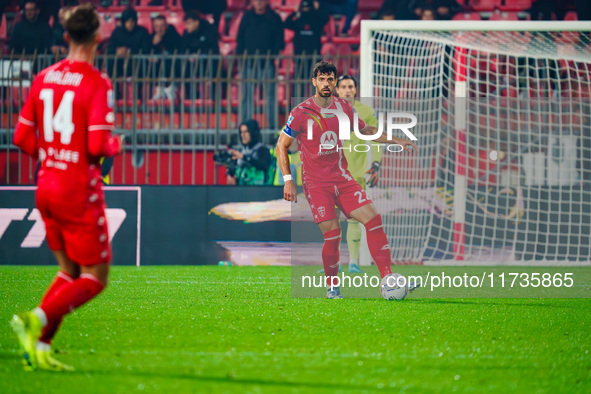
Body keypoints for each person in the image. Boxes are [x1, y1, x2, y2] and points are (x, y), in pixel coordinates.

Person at [10, 3, 124, 371]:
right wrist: (114, 145)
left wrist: (53, 155)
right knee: (95, 277)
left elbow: (21, 136)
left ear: (65, 36)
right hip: (77, 188)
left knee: (69, 272)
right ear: (98, 38)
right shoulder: (96, 83)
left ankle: (39, 349)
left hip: (46, 184)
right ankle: (37, 318)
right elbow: (95, 147)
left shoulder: (44, 77)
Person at [276, 61, 418, 299]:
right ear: (314, 82)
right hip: (316, 184)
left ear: (335, 82)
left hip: (342, 178)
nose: (326, 83)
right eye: (321, 79)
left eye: (330, 79)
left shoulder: (343, 107)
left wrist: (396, 140)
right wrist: (288, 179)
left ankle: (388, 278)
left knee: (373, 219)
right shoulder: (300, 112)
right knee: (333, 233)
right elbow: (282, 145)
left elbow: (367, 131)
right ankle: (333, 287)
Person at [334, 74, 381, 274]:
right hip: (332, 172)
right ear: (337, 90)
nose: (347, 90)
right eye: (343, 86)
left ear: (355, 89)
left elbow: (376, 137)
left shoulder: (365, 112)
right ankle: (333, 263)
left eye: (350, 86)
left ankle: (353, 262)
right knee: (331, 219)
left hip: (356, 173)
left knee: (353, 218)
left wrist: (376, 163)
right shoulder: (327, 110)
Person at [237, 0, 284, 129]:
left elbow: (279, 39)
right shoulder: (247, 17)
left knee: (270, 96)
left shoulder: (274, 18)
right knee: (246, 96)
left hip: (268, 62)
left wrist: (273, 55)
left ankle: (272, 127)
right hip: (248, 63)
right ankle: (245, 127)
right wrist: (241, 58)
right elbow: (240, 38)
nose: (258, 3)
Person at [226, 119, 273, 185]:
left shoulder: (262, 150)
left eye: (246, 132)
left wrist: (244, 157)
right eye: (241, 132)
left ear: (253, 132)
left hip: (259, 190)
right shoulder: (241, 151)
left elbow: (264, 164)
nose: (243, 135)